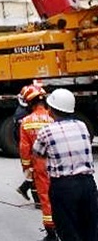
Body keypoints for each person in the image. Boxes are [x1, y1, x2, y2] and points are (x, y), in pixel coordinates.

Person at [33, 88, 98, 241]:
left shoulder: (46, 131)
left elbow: (37, 153)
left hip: (63, 187)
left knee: (68, 230)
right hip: (87, 184)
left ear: (51, 110)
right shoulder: (82, 125)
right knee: (91, 230)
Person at [19, 85, 56, 241]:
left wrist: (27, 168)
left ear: (30, 103)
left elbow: (24, 148)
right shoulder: (54, 118)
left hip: (40, 166)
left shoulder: (26, 122)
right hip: (58, 164)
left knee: (46, 199)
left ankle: (51, 233)